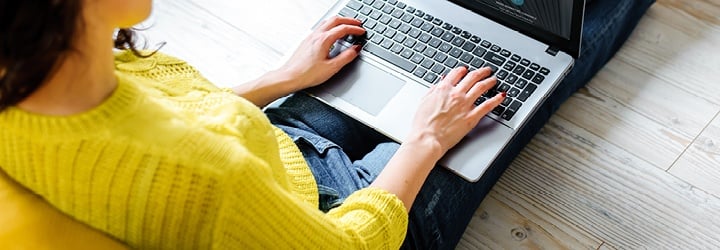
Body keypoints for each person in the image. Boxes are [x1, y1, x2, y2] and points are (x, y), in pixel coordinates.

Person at [0, 0, 654, 249]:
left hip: (271, 161)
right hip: (351, 216)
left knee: (414, 29)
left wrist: (278, 79)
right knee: (555, 53)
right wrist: (426, 137)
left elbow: (166, 117)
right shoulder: (203, 176)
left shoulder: (28, 82)